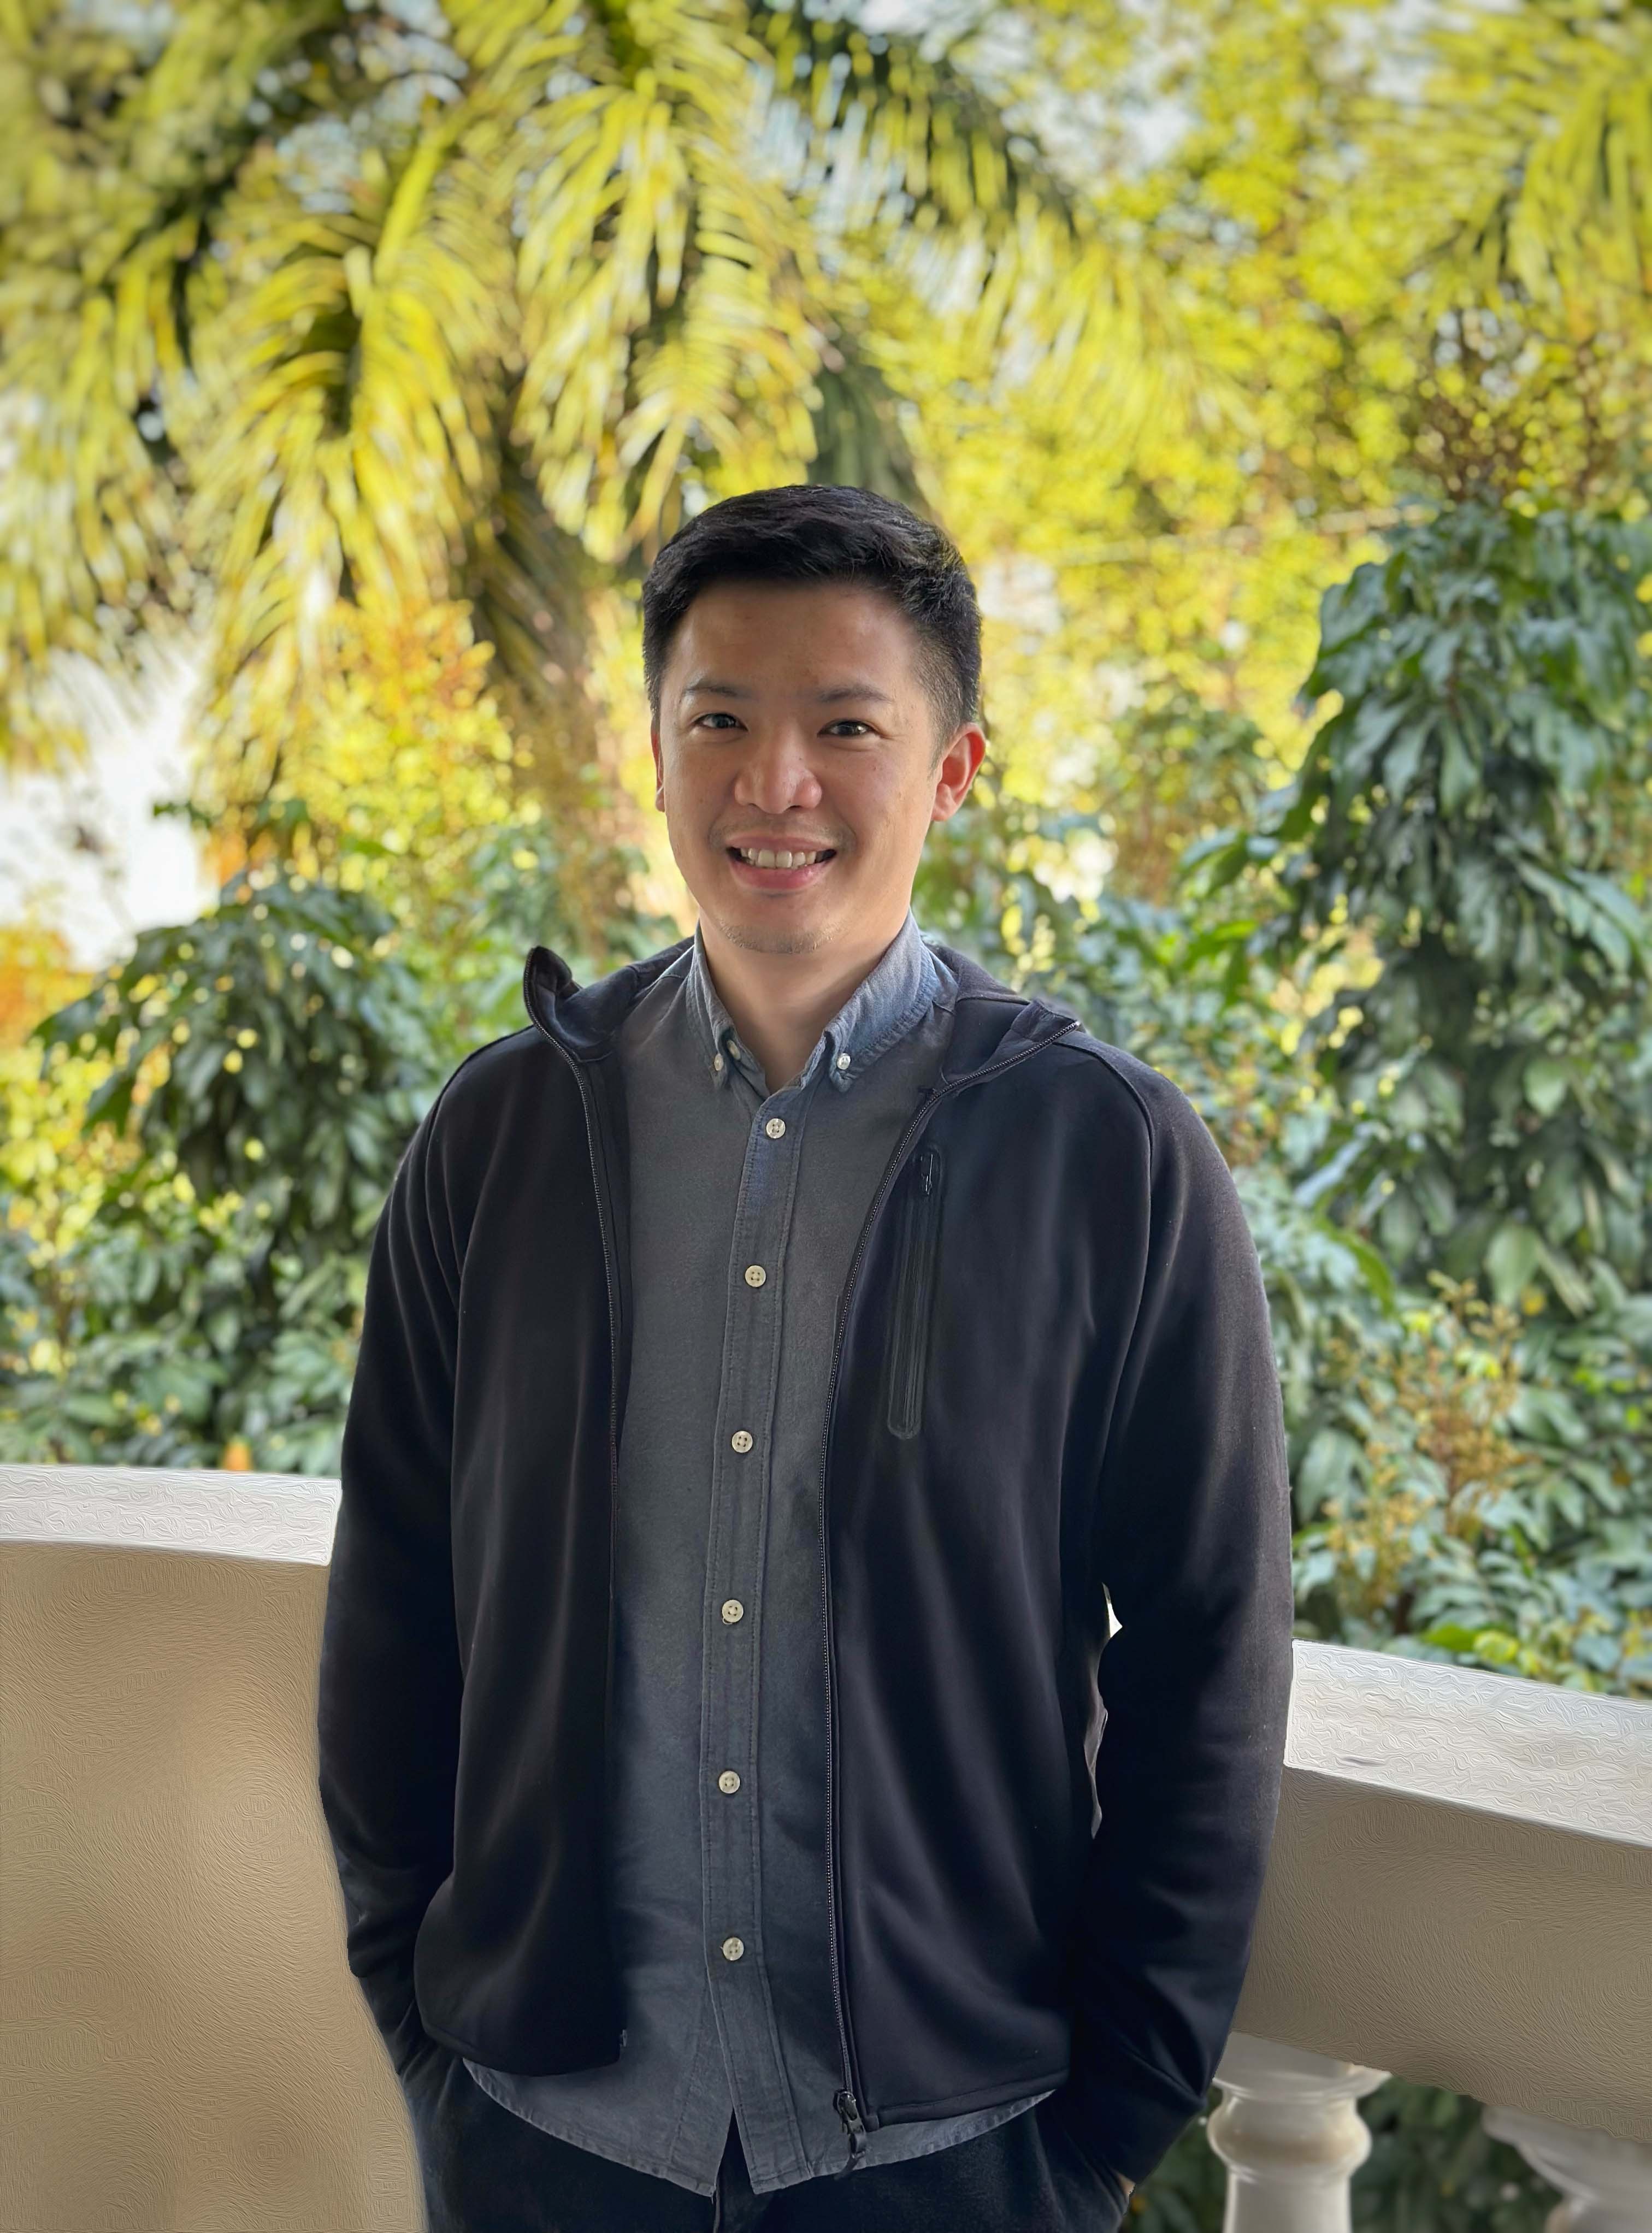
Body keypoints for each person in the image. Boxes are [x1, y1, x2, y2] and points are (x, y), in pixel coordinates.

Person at [316, 482, 1296, 2232]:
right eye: (721, 721)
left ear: (953, 769)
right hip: (548, 2140)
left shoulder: (1110, 1158)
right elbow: (395, 1593)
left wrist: (1109, 2121)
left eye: (847, 726)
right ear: (656, 752)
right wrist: (422, 2014)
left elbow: (1210, 1651)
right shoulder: (503, 1133)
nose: (776, 784)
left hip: (950, 2155)